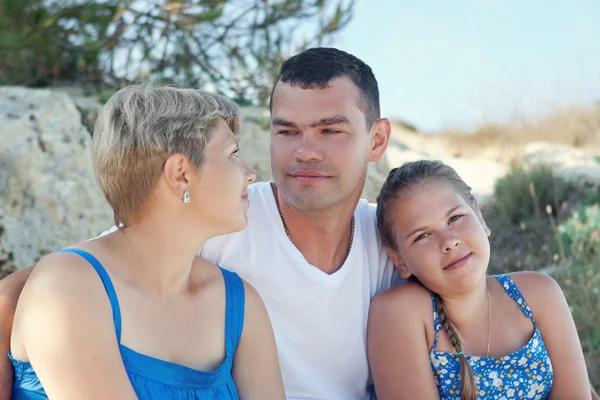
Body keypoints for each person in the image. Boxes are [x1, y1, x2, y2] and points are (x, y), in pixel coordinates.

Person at [0, 47, 397, 400]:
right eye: (287, 131)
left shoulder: (396, 240)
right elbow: (23, 294)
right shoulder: (212, 232)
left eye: (331, 130)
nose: (306, 151)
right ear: (181, 175)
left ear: (377, 140)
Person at [4, 84, 285, 399]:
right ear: (180, 174)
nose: (249, 174)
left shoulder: (240, 302)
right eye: (233, 154)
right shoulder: (67, 286)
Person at [368, 159, 593, 399]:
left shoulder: (539, 295)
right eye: (422, 235)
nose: (449, 241)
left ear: (480, 218)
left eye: (455, 218)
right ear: (399, 260)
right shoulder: (400, 313)